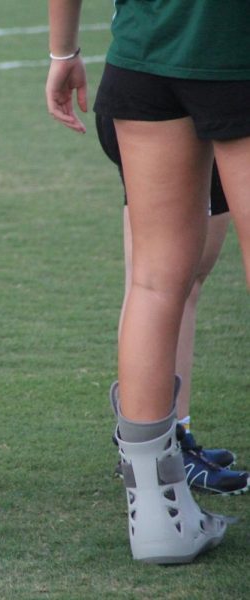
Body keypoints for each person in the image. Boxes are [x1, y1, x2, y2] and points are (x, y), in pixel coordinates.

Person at [46, 0, 250, 564]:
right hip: (234, 54)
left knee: (155, 284)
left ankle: (157, 520)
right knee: (161, 283)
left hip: (144, 57)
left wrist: (63, 50)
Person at [97, 114, 249, 496]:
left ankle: (163, 443)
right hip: (194, 98)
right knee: (163, 285)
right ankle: (163, 447)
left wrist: (64, 58)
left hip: (161, 91)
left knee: (166, 283)